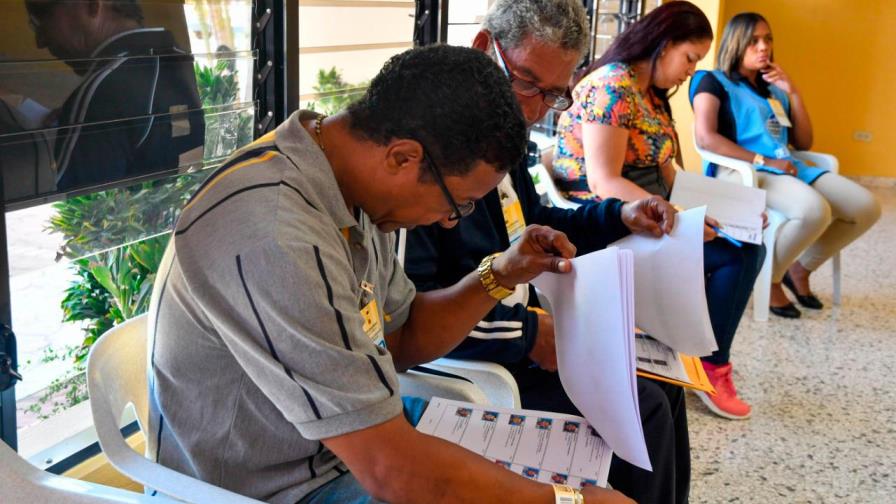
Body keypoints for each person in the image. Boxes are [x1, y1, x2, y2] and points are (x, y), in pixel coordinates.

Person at [148, 44, 633, 504]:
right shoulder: (274, 232)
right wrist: (565, 501)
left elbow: (402, 334)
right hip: (272, 486)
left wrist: (502, 273)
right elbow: (390, 470)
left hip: (338, 447)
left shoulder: (345, 184)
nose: (450, 220)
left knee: (582, 446)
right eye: (458, 203)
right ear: (403, 157)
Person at [405, 2, 689, 502]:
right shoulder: (424, 160)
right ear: (482, 49)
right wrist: (528, 332)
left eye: (554, 95)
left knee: (667, 387)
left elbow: (535, 220)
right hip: (482, 359)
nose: (536, 110)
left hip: (522, 329)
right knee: (643, 407)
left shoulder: (501, 141)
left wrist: (617, 214)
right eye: (528, 84)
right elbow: (411, 310)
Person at [551, 1, 765, 420]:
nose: (691, 70)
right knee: (737, 256)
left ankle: (701, 354)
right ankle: (709, 363)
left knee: (745, 240)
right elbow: (604, 181)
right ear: (664, 45)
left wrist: (730, 208)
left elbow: (669, 172)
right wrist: (683, 219)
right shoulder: (613, 86)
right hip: (609, 213)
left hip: (652, 207)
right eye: (689, 58)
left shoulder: (651, 94)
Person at [689, 12, 881, 318]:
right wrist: (764, 160)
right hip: (746, 169)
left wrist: (793, 92)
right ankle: (770, 280)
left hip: (789, 166)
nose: (764, 47)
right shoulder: (712, 81)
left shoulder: (774, 91)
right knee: (815, 211)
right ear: (736, 42)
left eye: (768, 40)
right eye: (754, 41)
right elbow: (706, 137)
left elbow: (803, 142)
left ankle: (798, 270)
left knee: (865, 207)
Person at [23, 0, 205, 192]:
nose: (39, 41)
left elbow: (77, 209)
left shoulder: (104, 90)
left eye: (42, 17)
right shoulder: (185, 62)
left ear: (92, 5)